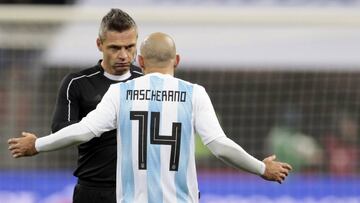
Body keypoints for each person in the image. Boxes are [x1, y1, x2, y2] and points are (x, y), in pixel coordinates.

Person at [8, 32, 292, 203]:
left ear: (140, 62)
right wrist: (260, 168)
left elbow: (83, 130)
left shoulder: (121, 92)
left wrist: (38, 144)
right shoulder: (194, 93)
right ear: (177, 60)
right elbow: (219, 145)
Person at [50, 8, 142, 203]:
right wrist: (104, 123)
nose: (124, 55)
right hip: (93, 190)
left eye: (130, 47)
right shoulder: (77, 82)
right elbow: (59, 130)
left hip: (138, 190)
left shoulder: (147, 81)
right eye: (115, 48)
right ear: (99, 44)